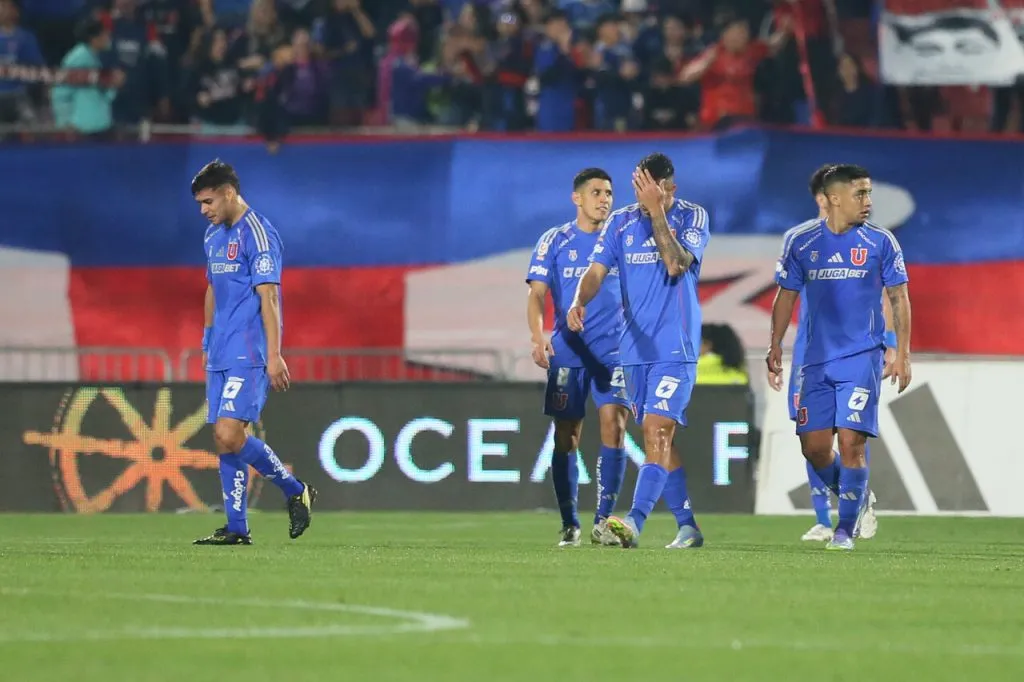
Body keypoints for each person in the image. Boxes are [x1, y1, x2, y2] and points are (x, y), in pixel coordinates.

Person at [568, 152, 710, 550]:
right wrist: (579, 301)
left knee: (656, 431)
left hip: (675, 346)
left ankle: (634, 523)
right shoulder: (620, 222)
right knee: (658, 440)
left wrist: (657, 214)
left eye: (656, 191)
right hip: (633, 351)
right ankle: (688, 526)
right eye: (641, 191)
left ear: (671, 188)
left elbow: (676, 264)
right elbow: (596, 271)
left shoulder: (692, 217)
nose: (646, 198)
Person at [767, 164, 912, 551]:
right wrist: (775, 345)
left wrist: (902, 353)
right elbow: (786, 296)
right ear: (833, 198)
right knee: (814, 448)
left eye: (869, 193)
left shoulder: (881, 242)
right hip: (815, 361)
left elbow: (898, 297)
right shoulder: (801, 241)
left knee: (851, 442)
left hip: (862, 357)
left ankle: (844, 530)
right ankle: (857, 496)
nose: (868, 201)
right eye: (860, 194)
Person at [191, 160, 316, 546]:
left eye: (208, 201)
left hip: (250, 350)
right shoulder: (213, 236)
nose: (204, 210)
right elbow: (212, 287)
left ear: (229, 192)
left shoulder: (258, 235)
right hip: (222, 350)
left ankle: (295, 490)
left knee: (231, 431)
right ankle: (237, 527)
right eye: (200, 203)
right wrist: (208, 336)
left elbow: (270, 296)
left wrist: (275, 354)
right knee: (223, 436)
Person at [525, 168, 631, 548]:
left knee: (614, 427)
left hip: (615, 351)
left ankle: (603, 521)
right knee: (566, 436)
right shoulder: (554, 240)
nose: (605, 199)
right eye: (597, 192)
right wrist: (538, 338)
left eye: (609, 193)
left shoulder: (622, 239)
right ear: (577, 198)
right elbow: (537, 294)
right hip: (568, 353)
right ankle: (570, 522)